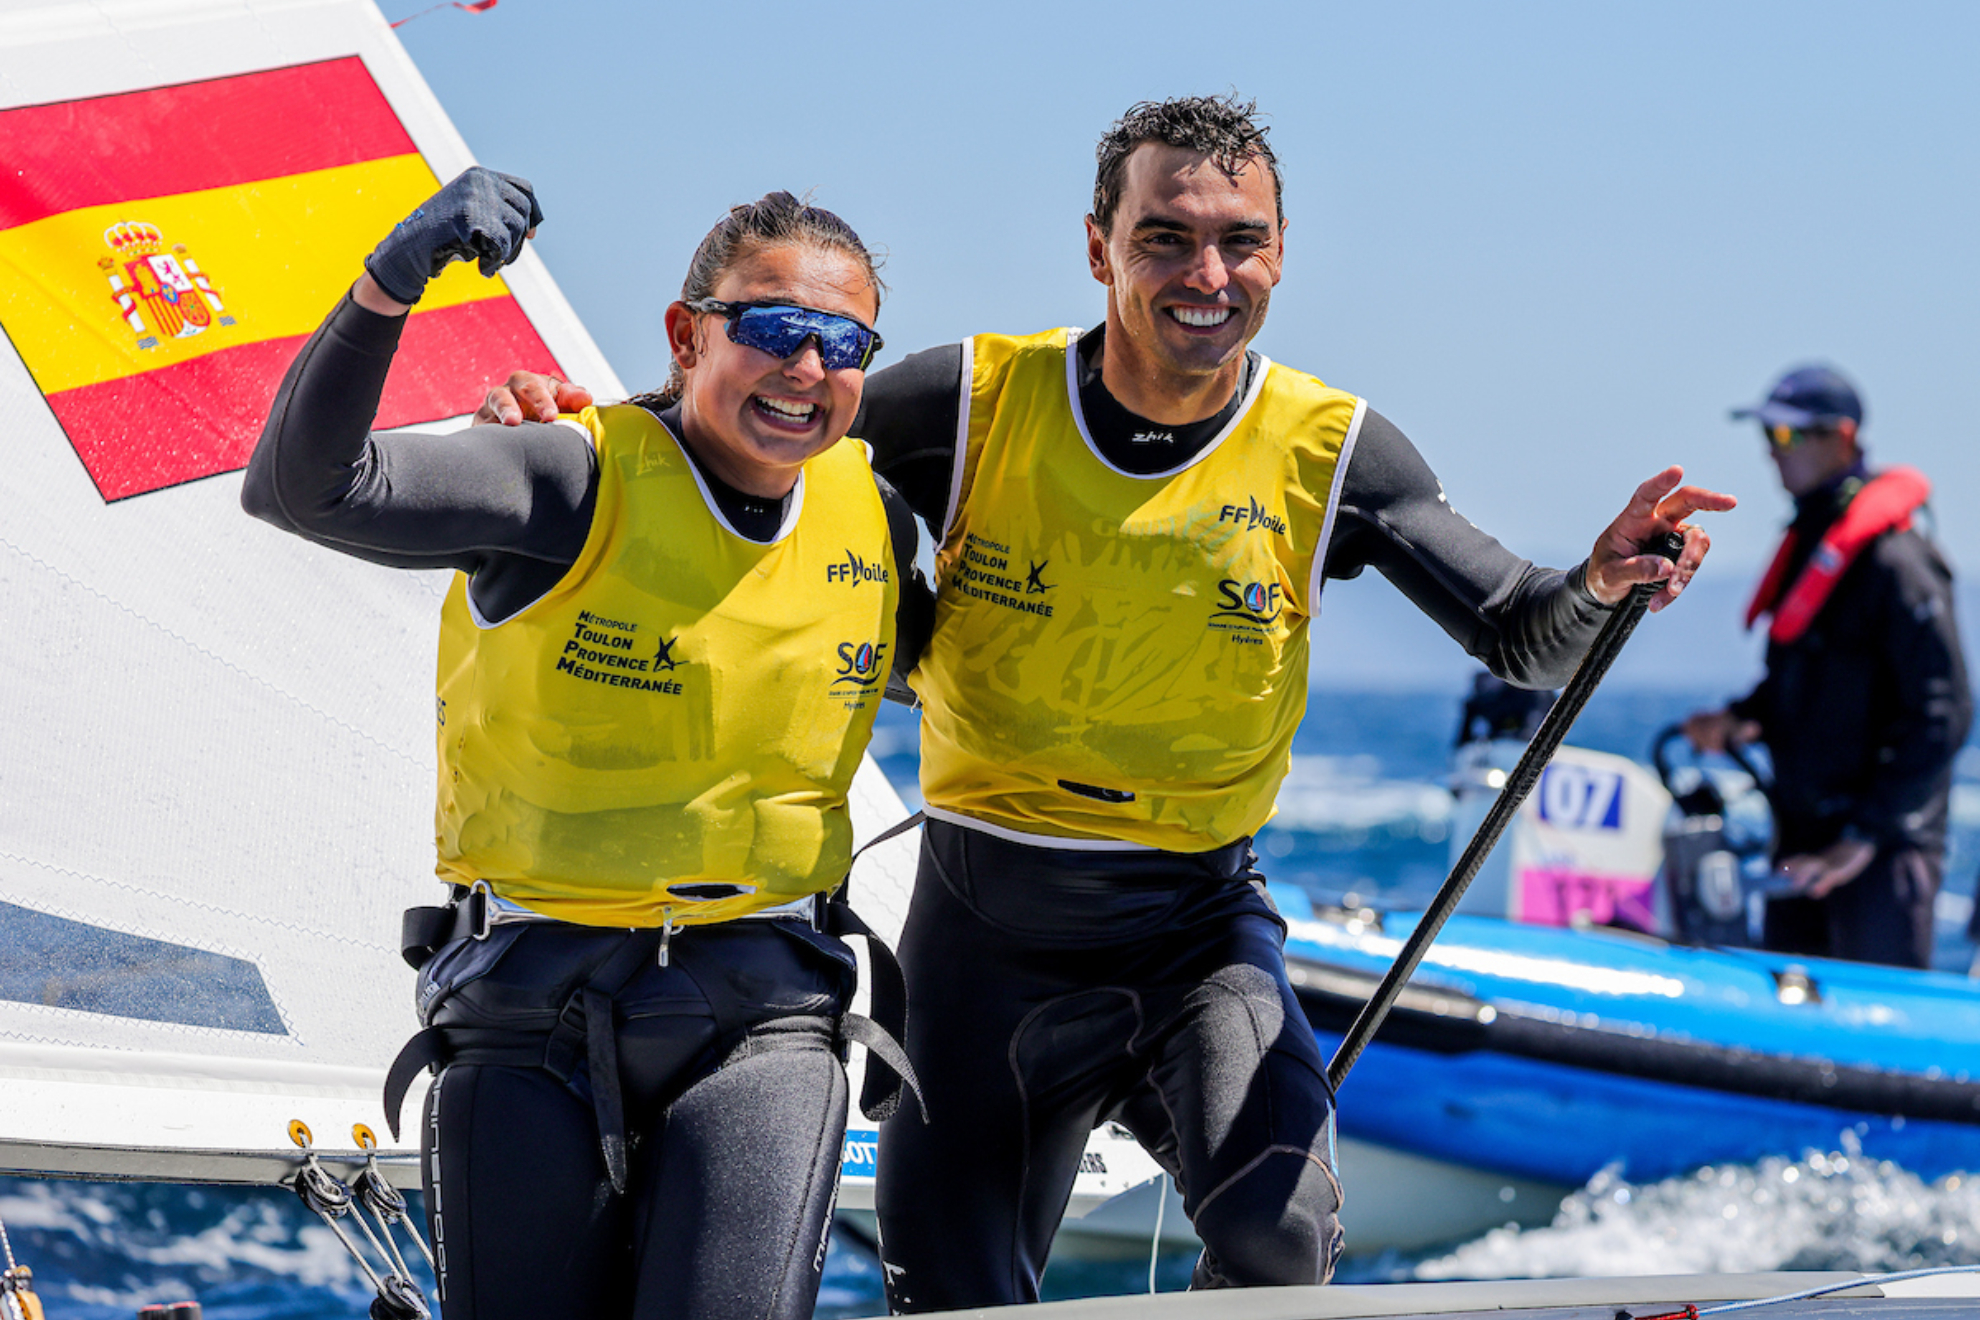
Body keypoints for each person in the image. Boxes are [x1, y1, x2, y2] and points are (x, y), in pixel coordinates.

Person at [478, 95, 1733, 1305]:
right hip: (981, 945)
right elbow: (736, 435)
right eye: (1165, 237)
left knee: (1277, 1236)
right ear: (1099, 248)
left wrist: (1600, 581)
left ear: (1281, 254)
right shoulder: (969, 402)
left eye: (1240, 240)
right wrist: (577, 429)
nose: (1207, 273)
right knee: (955, 1301)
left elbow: (1519, 629)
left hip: (1196, 935)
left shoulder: (1335, 452)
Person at [242, 168, 932, 1320]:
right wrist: (391, 278)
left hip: (764, 1013)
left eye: (843, 344)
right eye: (772, 330)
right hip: (529, 1013)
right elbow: (304, 490)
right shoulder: (566, 476)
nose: (808, 368)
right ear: (688, 335)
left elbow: (980, 680)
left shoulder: (875, 517)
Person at [1684, 365, 1969, 970]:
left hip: (1878, 855)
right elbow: (1807, 682)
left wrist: (1860, 841)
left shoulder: (1898, 561)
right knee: (1785, 1007)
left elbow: (1944, 713)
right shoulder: (1813, 547)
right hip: (1802, 845)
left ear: (1841, 437)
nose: (1772, 452)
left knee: (1878, 1014)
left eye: (1788, 436)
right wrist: (1741, 719)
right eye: (1768, 436)